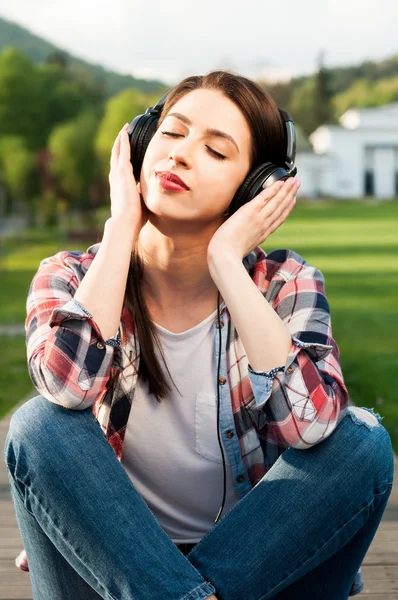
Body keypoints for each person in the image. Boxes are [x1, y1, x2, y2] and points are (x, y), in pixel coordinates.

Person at [4, 70, 394, 600]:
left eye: (215, 151)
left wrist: (226, 265)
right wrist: (121, 228)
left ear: (257, 188)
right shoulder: (69, 276)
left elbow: (312, 426)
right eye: (171, 133)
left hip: (254, 565)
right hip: (117, 565)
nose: (181, 155)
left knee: (361, 444)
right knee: (38, 426)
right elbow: (66, 387)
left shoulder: (285, 282)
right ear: (139, 145)